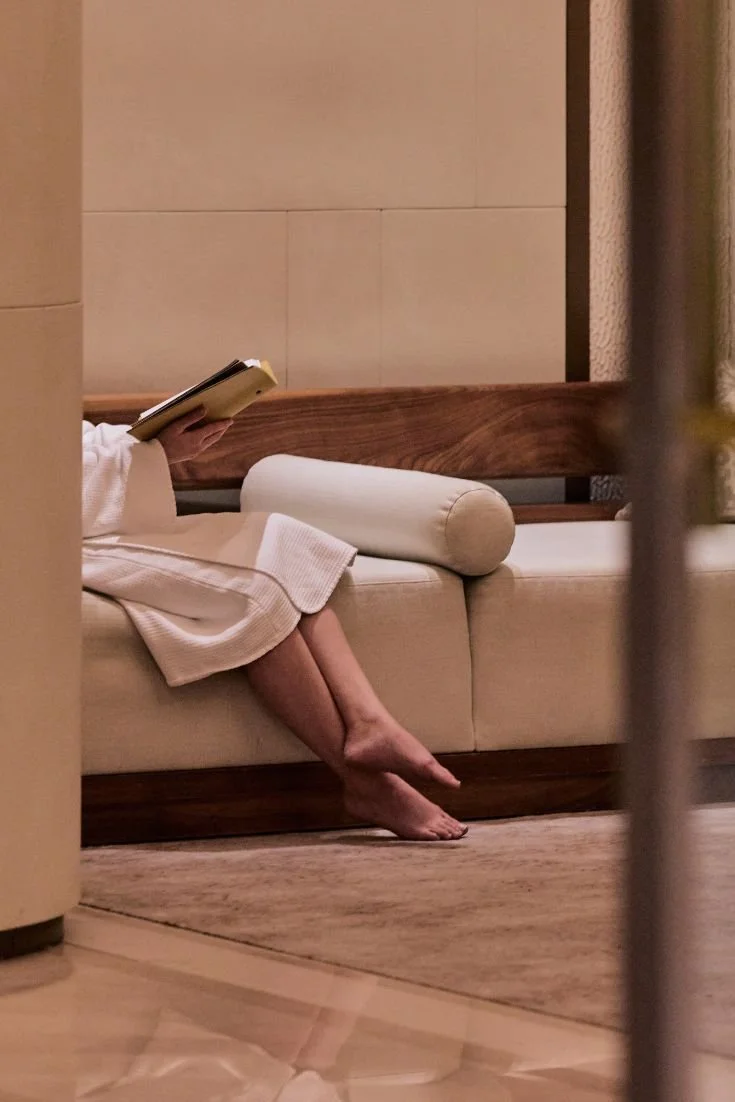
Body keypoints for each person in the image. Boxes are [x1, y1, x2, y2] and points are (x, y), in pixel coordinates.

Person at [82, 407, 468, 841]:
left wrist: (152, 440)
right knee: (256, 594)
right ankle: (366, 783)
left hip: (107, 526)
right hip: (64, 541)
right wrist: (148, 454)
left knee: (283, 537)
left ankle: (369, 719)